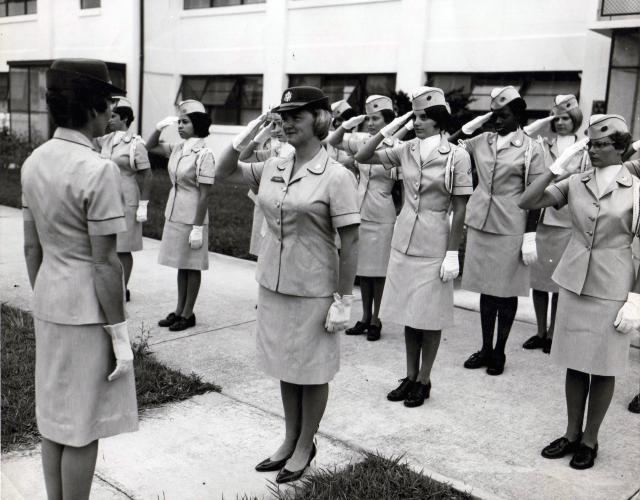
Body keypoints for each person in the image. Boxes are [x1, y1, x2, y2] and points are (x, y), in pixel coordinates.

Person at [216, 86, 360, 483]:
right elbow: (223, 171)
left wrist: (344, 300)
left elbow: (351, 241)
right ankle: (289, 438)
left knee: (311, 371)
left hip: (315, 287)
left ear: (321, 120)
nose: (289, 122)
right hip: (274, 284)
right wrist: (253, 132)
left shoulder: (337, 176)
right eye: (284, 115)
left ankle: (304, 444)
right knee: (285, 366)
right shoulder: (276, 165)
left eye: (299, 114)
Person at [21, 58, 138, 500]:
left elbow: (32, 249)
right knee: (83, 426)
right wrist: (120, 332)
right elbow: (106, 263)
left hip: (50, 299)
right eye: (107, 103)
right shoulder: (98, 168)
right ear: (90, 107)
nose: (111, 112)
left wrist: (50, 294)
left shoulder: (35, 161)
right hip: (88, 311)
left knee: (56, 420)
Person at [519, 114, 640, 469]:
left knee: (603, 366)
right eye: (590, 143)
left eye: (602, 144)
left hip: (613, 284)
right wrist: (557, 168)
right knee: (575, 361)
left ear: (620, 147)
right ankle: (571, 433)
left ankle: (590, 439)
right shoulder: (576, 181)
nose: (593, 150)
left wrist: (635, 298)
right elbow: (527, 202)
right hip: (574, 280)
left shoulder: (636, 187)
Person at [354, 87, 472, 407]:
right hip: (404, 237)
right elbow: (362, 156)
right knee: (409, 313)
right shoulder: (406, 148)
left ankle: (424, 378)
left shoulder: (457, 156)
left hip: (435, 240)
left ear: (438, 121)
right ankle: (409, 375)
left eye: (423, 118)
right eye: (415, 116)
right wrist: (388, 130)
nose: (417, 122)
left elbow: (460, 208)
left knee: (429, 316)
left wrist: (452, 252)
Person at [458, 86, 546, 375]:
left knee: (505, 292)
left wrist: (530, 235)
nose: (497, 120)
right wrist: (473, 124)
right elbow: (448, 145)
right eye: (493, 114)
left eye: (503, 115)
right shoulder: (482, 140)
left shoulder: (532, 148)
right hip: (481, 223)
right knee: (486, 289)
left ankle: (499, 350)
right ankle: (485, 347)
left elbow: (535, 193)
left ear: (518, 116)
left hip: (511, 225)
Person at [327, 95, 401, 341]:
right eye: (367, 118)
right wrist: (348, 124)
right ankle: (365, 317)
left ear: (388, 120)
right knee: (364, 271)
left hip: (382, 213)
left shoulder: (397, 146)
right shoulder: (362, 141)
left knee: (378, 273)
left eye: (375, 118)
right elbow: (333, 140)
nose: (370, 123)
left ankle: (376, 320)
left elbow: (401, 187)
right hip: (360, 210)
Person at [523, 95, 588, 353]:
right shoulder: (543, 144)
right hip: (542, 218)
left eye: (566, 118)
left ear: (576, 120)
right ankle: (540, 331)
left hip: (568, 220)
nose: (561, 123)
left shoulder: (584, 147)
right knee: (539, 280)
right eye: (557, 118)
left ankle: (553, 333)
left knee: (559, 282)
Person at [146, 99, 214, 331]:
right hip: (175, 213)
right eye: (179, 121)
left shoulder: (205, 154)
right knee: (180, 265)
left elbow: (204, 195)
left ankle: (188, 313)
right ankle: (178, 310)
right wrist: (158, 128)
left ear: (197, 124)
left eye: (185, 122)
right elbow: (149, 146)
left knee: (191, 265)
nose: (180, 125)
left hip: (193, 216)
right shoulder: (178, 148)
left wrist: (197, 228)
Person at [96, 96, 152, 302]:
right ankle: (110, 286)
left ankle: (122, 289)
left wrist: (143, 204)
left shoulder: (136, 144)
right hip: (105, 196)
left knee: (123, 247)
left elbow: (147, 174)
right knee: (107, 244)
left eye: (114, 116)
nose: (109, 119)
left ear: (125, 119)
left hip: (127, 197)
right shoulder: (105, 140)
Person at [239, 112, 294, 258]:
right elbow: (243, 157)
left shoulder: (295, 154)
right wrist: (261, 135)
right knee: (264, 256)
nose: (275, 130)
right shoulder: (277, 151)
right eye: (274, 124)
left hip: (285, 212)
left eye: (280, 124)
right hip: (265, 208)